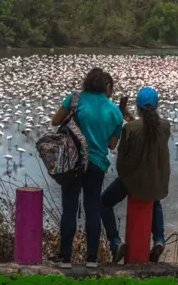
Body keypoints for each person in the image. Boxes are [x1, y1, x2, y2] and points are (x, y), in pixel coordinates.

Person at [51, 68, 123, 269]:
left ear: (87, 83)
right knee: (93, 208)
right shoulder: (115, 112)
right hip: (97, 164)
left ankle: (65, 258)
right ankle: (92, 258)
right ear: (107, 87)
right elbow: (111, 145)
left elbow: (55, 121)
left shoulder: (75, 99)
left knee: (70, 208)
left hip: (73, 163)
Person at [101, 87, 171, 263]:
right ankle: (159, 240)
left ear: (138, 107)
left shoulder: (130, 128)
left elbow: (122, 159)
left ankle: (116, 242)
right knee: (155, 201)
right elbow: (149, 130)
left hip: (132, 181)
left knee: (104, 202)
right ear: (157, 106)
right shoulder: (165, 126)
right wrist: (131, 118)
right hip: (156, 182)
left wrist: (124, 177)